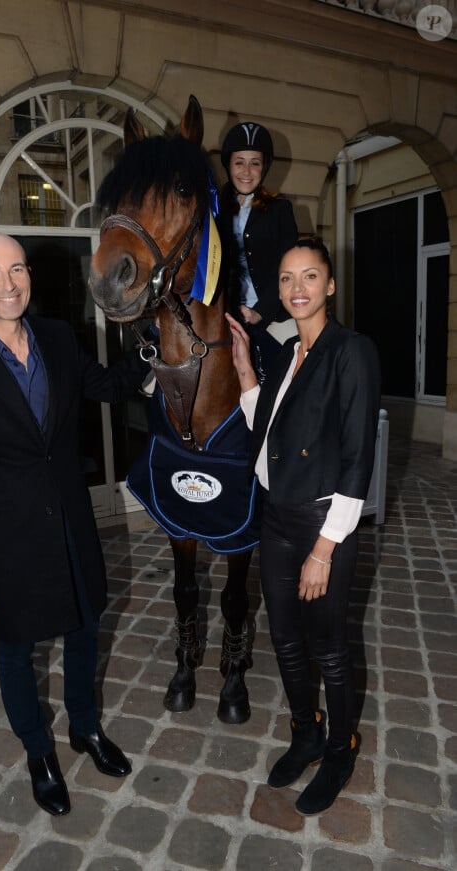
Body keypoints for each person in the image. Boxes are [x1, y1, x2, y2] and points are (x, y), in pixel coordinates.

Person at [0, 232, 150, 817]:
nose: (8, 282)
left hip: (71, 524)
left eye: (17, 268)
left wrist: (151, 341)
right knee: (17, 650)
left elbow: (107, 387)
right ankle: (39, 752)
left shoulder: (56, 336)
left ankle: (86, 729)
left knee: (84, 628)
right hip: (7, 540)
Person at [225, 236, 380, 815]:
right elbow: (271, 438)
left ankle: (339, 750)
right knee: (285, 638)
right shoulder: (290, 352)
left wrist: (324, 549)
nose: (296, 288)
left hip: (322, 524)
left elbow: (358, 458)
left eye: (309, 277)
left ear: (330, 285)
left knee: (329, 648)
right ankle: (305, 732)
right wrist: (245, 373)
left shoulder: (350, 351)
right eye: (287, 279)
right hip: (278, 516)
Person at [217, 121, 298, 383]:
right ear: (228, 165)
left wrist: (260, 311)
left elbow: (289, 271)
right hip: (224, 315)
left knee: (303, 374)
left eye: (255, 162)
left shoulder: (280, 210)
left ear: (264, 167)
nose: (247, 171)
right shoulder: (213, 210)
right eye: (239, 162)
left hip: (274, 317)